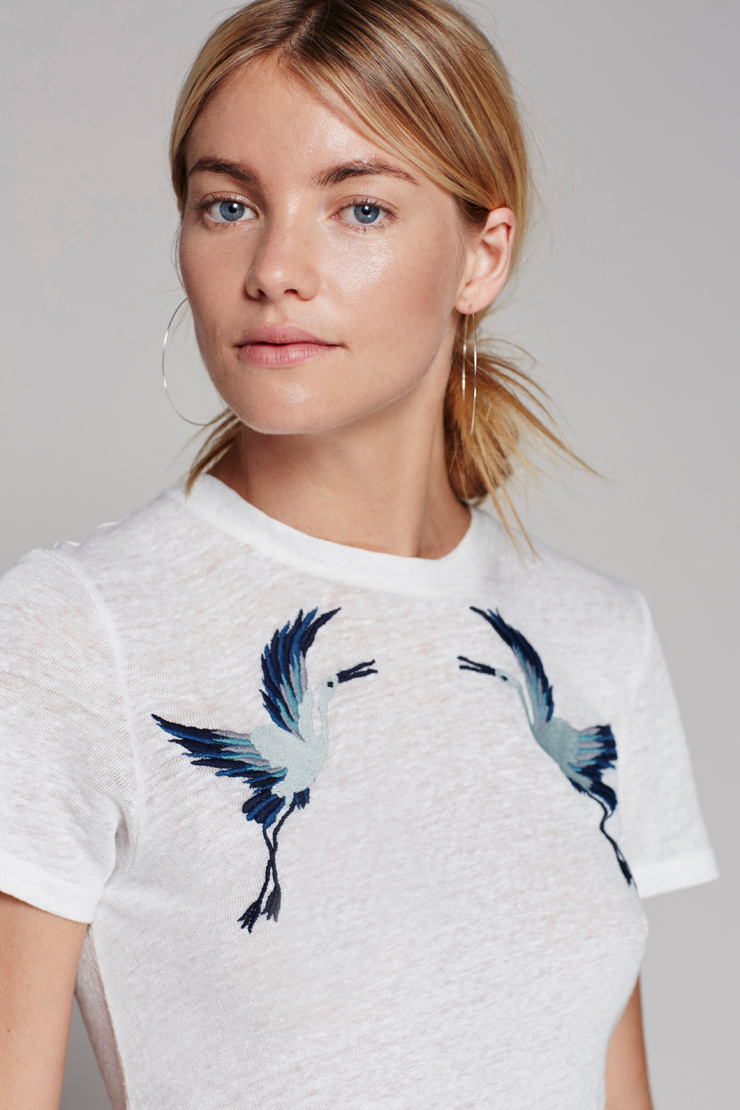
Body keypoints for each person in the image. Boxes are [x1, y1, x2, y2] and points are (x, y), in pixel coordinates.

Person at [0, 1, 718, 1107]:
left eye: (360, 208)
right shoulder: (77, 631)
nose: (274, 269)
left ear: (480, 258)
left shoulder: (595, 636)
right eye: (228, 204)